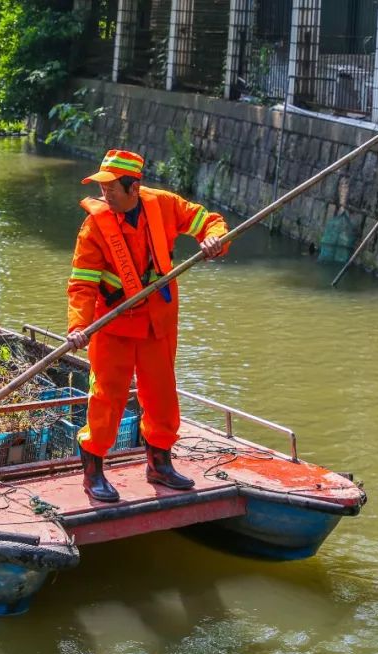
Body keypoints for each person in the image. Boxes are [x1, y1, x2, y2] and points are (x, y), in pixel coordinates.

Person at [66, 149, 230, 502]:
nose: (105, 194)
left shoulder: (165, 205)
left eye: (111, 188)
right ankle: (93, 471)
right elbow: (81, 284)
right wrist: (78, 326)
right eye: (102, 187)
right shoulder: (95, 226)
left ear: (134, 186)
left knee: (161, 394)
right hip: (114, 325)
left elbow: (207, 220)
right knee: (106, 398)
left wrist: (215, 239)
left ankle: (159, 464)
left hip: (158, 321)